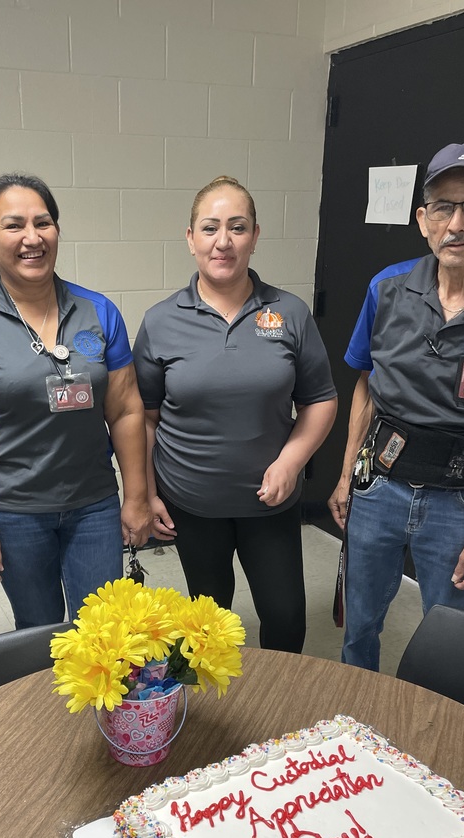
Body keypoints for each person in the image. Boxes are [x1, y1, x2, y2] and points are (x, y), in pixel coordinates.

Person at [329, 138, 464, 671]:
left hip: (461, 504)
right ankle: (355, 725)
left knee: (451, 636)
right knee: (362, 622)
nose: (457, 223)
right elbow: (366, 386)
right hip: (380, 485)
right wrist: (347, 474)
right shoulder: (386, 289)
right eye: (443, 207)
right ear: (423, 219)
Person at [134, 176, 338, 652]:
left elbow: (320, 399)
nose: (222, 241)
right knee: (207, 624)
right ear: (190, 239)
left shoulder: (289, 313)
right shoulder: (161, 321)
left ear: (254, 236)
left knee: (286, 617)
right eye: (209, 228)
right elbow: (142, 415)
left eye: (237, 227)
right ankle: (219, 717)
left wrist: (291, 462)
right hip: (192, 500)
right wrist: (144, 492)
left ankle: (280, 718)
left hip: (270, 503)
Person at [0, 173, 150, 627]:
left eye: (44, 223)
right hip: (16, 511)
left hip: (93, 504)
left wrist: (137, 497)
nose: (32, 238)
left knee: (106, 634)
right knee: (39, 637)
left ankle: (104, 704)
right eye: (14, 225)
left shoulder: (99, 312)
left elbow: (128, 410)